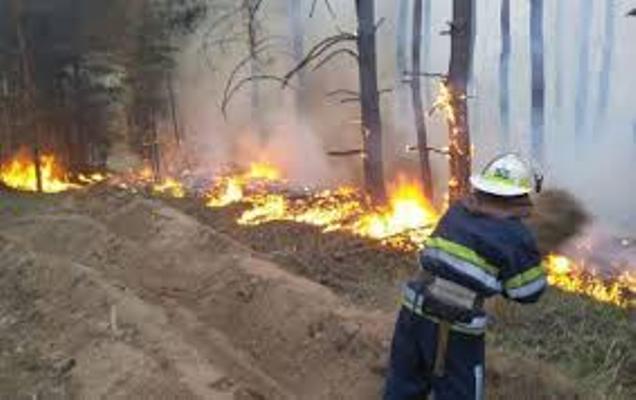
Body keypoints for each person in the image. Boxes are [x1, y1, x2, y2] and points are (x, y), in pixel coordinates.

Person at [384, 153, 547, 400]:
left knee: (403, 387)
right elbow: (528, 292)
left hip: (413, 308)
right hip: (455, 325)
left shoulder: (457, 211)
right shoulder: (516, 235)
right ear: (521, 196)